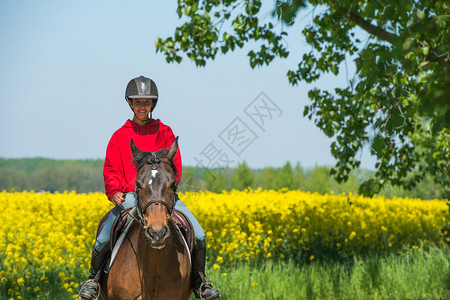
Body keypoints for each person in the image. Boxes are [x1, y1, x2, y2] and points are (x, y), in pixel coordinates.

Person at [78, 76, 220, 300]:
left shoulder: (165, 132)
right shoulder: (119, 136)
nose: (142, 106)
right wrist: (114, 190)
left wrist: (167, 190)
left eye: (146, 102)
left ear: (153, 104)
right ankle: (93, 280)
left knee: (199, 234)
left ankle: (199, 281)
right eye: (137, 102)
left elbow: (176, 167)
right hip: (131, 197)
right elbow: (111, 169)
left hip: (163, 195)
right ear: (129, 103)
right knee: (105, 236)